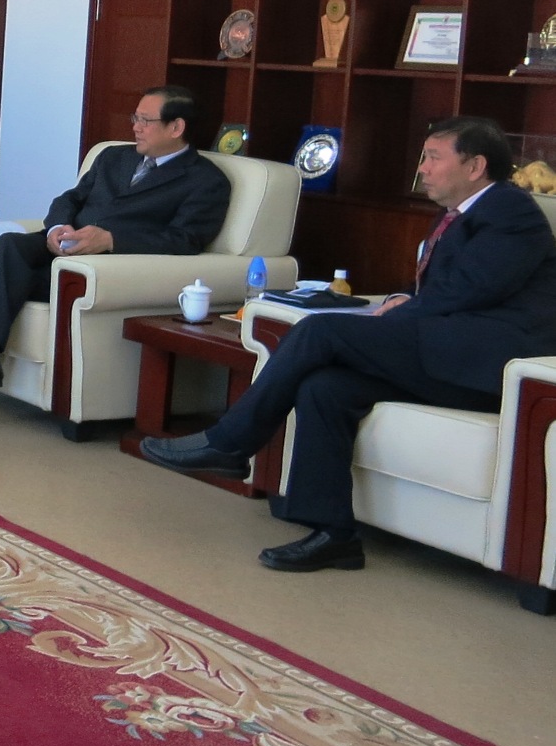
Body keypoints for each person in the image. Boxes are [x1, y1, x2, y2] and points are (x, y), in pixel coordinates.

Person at [143, 118, 556, 572]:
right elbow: (443, 286)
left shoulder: (510, 212)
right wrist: (403, 298)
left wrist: (397, 313)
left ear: (475, 166)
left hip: (486, 368)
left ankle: (230, 442)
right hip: (442, 352)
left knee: (319, 332)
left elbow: (471, 289)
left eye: (434, 158)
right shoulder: (459, 214)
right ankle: (333, 535)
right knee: (325, 387)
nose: (423, 168)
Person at [0, 85, 232, 425]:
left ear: (176, 127)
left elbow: (185, 239)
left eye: (145, 120)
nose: (135, 127)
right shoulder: (113, 157)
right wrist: (56, 227)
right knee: (9, 246)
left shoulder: (206, 181)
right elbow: (70, 198)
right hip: (61, 249)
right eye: (135, 118)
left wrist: (111, 240)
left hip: (101, 269)